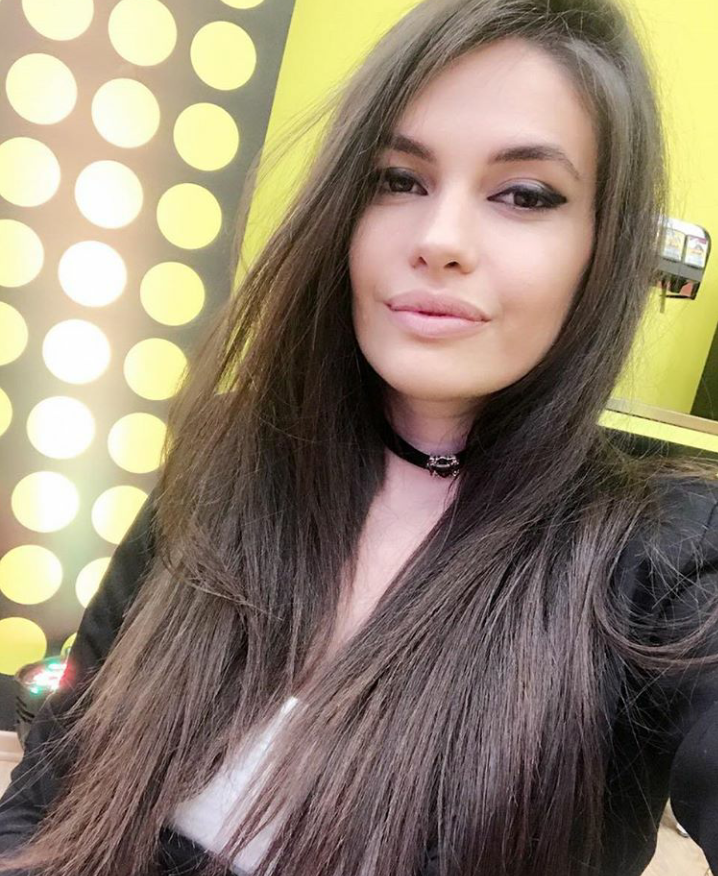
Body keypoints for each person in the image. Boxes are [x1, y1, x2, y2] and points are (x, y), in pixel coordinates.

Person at [1, 0, 718, 873]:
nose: (440, 240)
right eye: (398, 180)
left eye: (525, 195)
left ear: (602, 247)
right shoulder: (228, 467)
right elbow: (47, 795)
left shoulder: (667, 559)